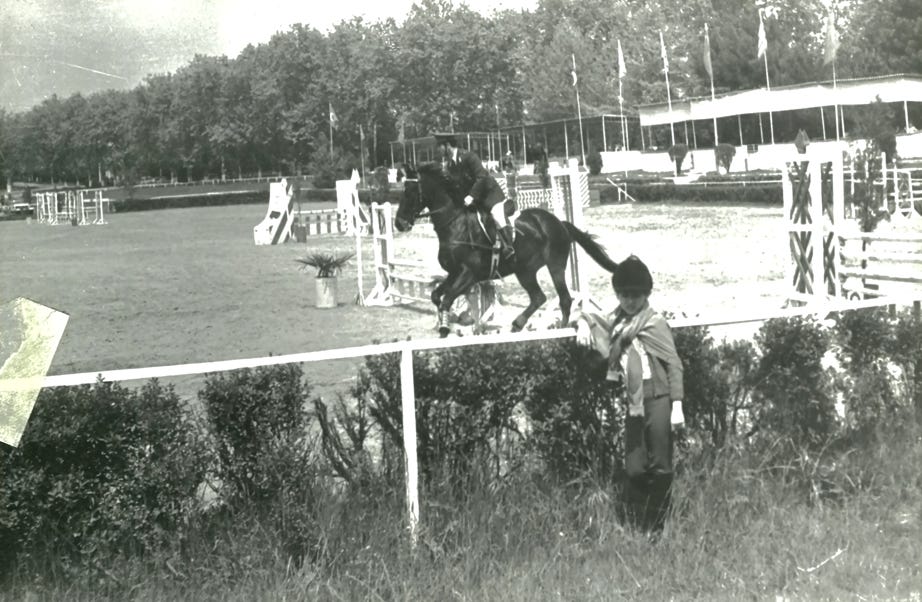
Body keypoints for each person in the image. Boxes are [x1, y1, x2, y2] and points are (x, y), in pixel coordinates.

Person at [572, 255, 685, 536]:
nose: (629, 301)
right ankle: (640, 521)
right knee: (634, 466)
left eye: (635, 295)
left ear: (646, 294)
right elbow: (590, 317)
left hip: (658, 396)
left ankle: (656, 527)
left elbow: (674, 364)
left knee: (660, 464)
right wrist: (583, 323)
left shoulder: (655, 323)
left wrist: (677, 405)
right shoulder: (617, 322)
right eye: (624, 295)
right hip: (633, 400)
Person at [433, 132, 514, 261]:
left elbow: (481, 177)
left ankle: (508, 246)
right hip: (474, 201)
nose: (438, 149)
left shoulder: (469, 156)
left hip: (489, 195)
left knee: (497, 215)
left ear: (447, 145)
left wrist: (471, 196)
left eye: (439, 146)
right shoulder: (450, 164)